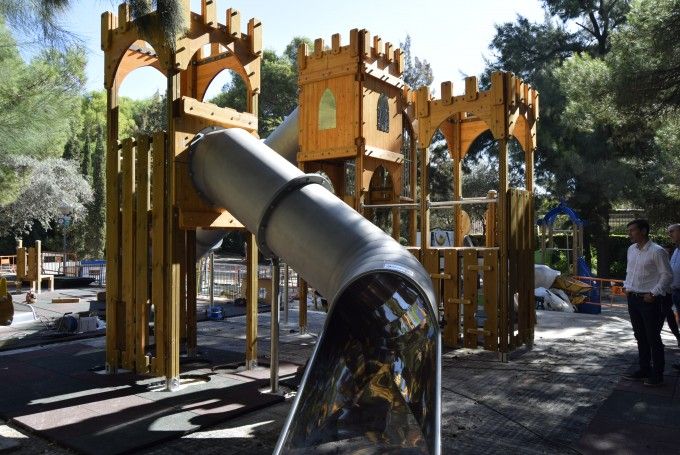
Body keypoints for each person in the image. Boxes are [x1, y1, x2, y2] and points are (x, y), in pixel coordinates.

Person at [622, 219, 672, 386]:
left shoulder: (657, 251)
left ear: (643, 231)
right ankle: (644, 369)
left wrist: (654, 293)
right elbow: (630, 271)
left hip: (649, 300)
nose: (629, 233)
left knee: (653, 338)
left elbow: (667, 275)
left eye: (632, 230)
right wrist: (626, 286)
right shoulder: (631, 249)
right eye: (629, 230)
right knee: (640, 336)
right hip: (633, 299)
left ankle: (657, 375)